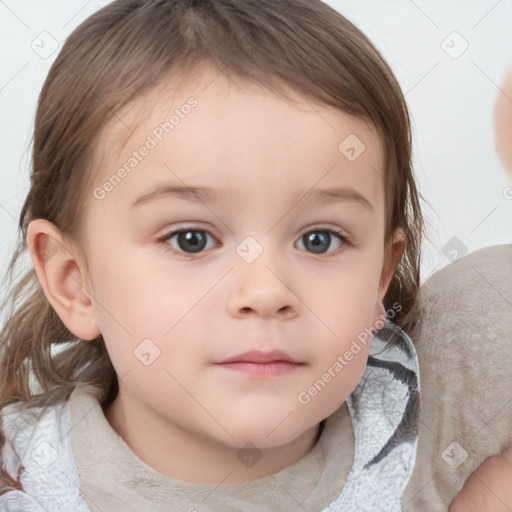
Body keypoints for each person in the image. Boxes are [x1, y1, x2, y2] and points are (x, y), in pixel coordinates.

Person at [0, 0, 426, 510]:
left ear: (380, 274)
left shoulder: (442, 425)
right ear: (74, 282)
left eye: (320, 239)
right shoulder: (22, 485)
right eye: (191, 239)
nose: (266, 292)